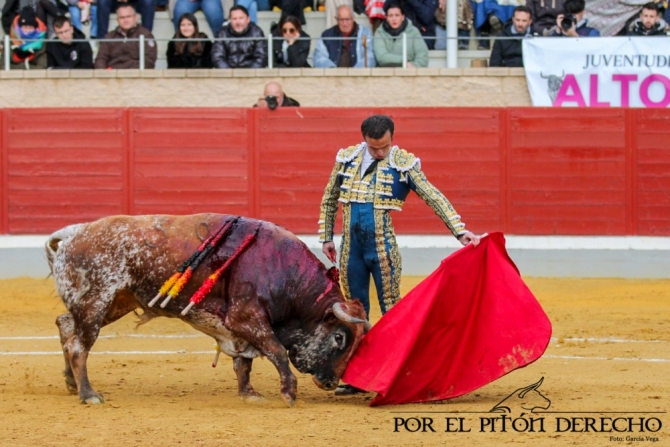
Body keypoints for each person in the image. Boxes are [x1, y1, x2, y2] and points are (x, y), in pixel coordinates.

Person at [318, 115, 479, 395]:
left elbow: (432, 195)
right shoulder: (346, 159)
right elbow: (330, 197)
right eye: (375, 148)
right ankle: (358, 377)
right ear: (364, 140)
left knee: (392, 309)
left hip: (383, 250)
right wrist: (326, 237)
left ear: (392, 138)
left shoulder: (402, 162)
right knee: (355, 314)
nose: (381, 153)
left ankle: (396, 374)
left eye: (385, 146)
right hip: (350, 252)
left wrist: (459, 230)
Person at [94, 3, 157, 68]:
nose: (126, 20)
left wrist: (130, 74)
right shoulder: (109, 37)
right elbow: (101, 59)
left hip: (136, 75)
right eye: (122, 17)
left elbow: (149, 61)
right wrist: (103, 74)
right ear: (117, 20)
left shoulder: (145, 35)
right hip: (112, 76)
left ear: (135, 18)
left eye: (128, 16)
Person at [373, 2, 428, 68]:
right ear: (386, 18)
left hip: (409, 75)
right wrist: (404, 61)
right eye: (390, 16)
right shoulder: (379, 33)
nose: (394, 19)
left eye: (397, 15)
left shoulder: (414, 32)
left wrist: (413, 67)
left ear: (403, 17)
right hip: (385, 75)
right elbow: (381, 57)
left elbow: (423, 58)